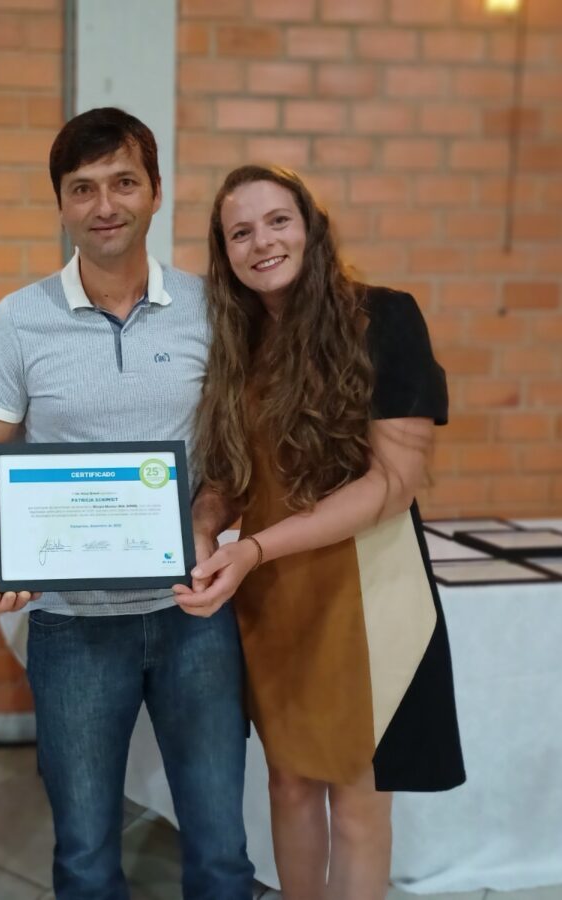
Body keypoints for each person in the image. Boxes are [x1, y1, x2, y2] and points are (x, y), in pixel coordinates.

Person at [0, 107, 255, 899]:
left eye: (123, 183)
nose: (104, 205)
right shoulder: (20, 319)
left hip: (193, 616)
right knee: (86, 856)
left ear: (156, 191)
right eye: (82, 188)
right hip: (73, 627)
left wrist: (202, 524)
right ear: (60, 203)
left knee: (222, 850)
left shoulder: (212, 309)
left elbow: (232, 452)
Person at [175, 164, 466, 900]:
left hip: (367, 592)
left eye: (278, 221)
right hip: (275, 594)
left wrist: (254, 547)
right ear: (225, 252)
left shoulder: (384, 318)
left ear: (311, 226)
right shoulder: (239, 342)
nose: (262, 242)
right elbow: (232, 476)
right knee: (290, 784)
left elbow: (393, 482)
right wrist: (203, 526)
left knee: (360, 800)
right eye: (240, 232)